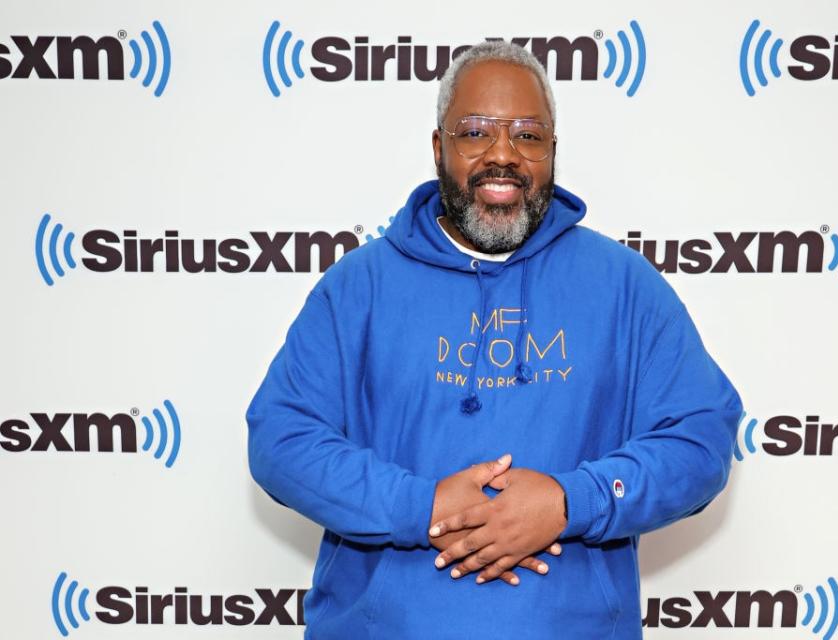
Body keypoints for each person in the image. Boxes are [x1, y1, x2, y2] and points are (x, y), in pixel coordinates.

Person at [246, 41, 742, 639]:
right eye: (476, 132)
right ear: (439, 148)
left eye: (528, 136)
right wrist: (420, 506)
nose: (502, 156)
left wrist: (569, 501)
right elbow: (282, 439)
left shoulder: (624, 286)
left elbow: (700, 440)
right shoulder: (360, 287)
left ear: (553, 151)